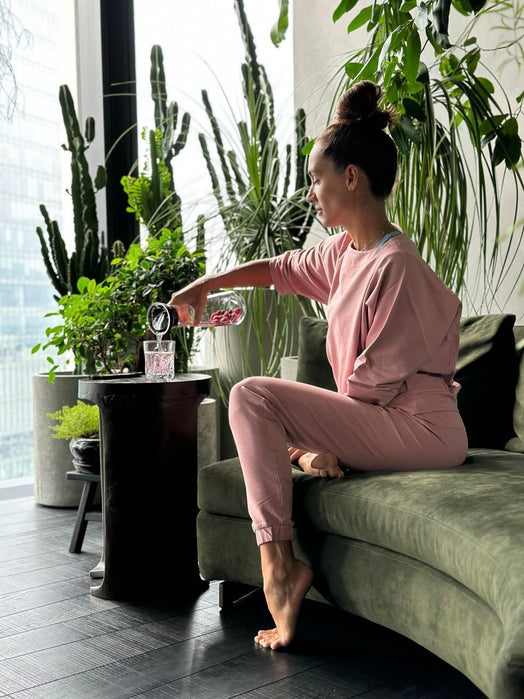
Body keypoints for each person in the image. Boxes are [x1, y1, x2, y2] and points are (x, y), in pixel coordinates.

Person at [168, 80, 468, 651]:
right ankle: (292, 510)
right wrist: (207, 282)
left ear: (351, 178)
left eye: (316, 178)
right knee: (258, 409)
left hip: (421, 429)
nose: (310, 194)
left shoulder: (397, 265)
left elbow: (367, 394)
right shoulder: (343, 252)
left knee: (252, 397)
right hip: (380, 418)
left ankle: (279, 569)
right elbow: (278, 269)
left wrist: (302, 442)